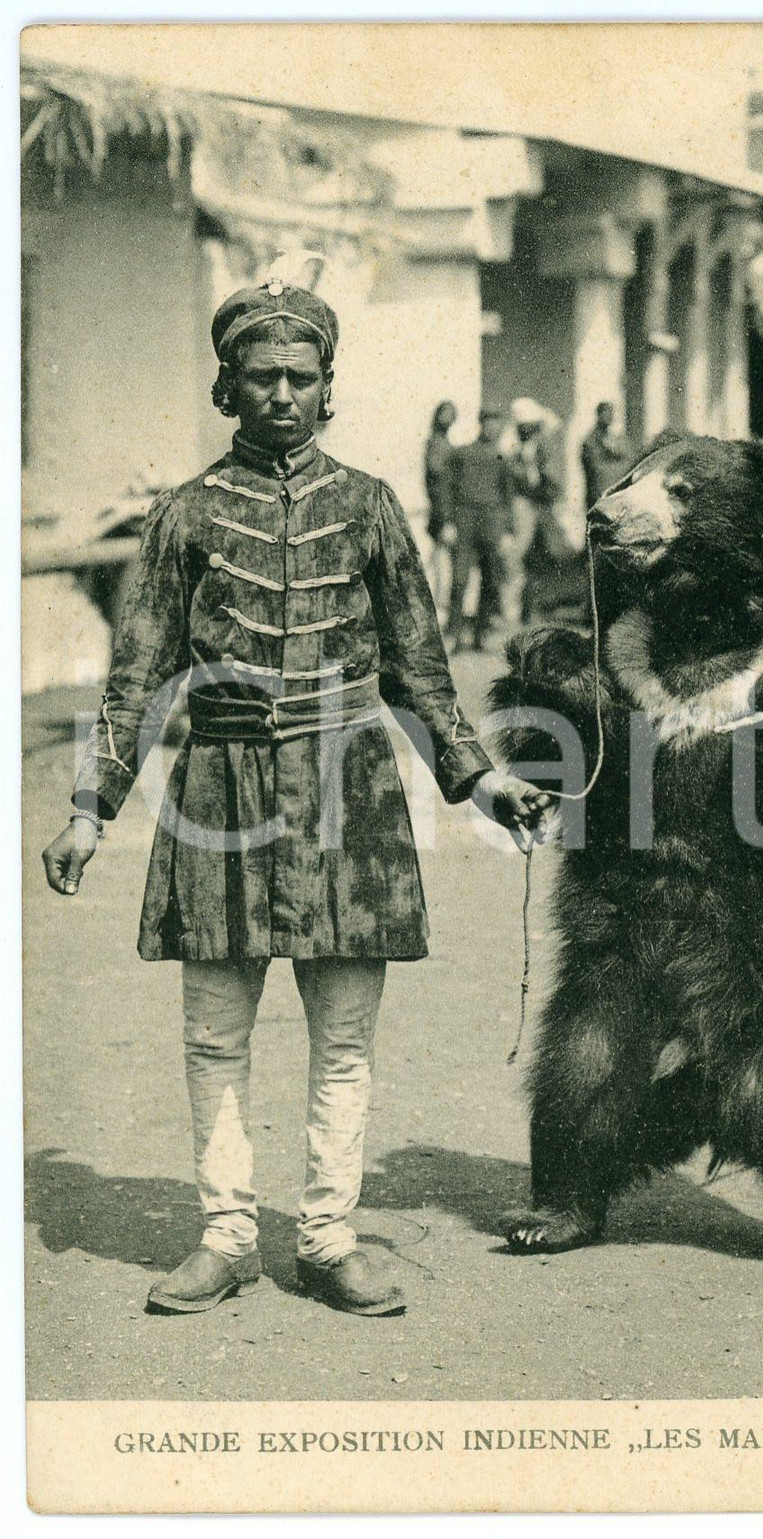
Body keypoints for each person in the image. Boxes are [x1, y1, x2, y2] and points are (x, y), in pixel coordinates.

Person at [41, 259, 550, 1319]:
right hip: (217, 793)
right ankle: (226, 1235)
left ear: (328, 384)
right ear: (228, 387)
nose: (282, 392)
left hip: (346, 792)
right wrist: (91, 807)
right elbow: (137, 674)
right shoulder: (183, 516)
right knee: (214, 1033)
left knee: (345, 1037)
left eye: (301, 374)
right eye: (261, 374)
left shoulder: (368, 508)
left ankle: (326, 1237)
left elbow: (420, 671)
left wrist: (484, 779)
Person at [444, 405, 516, 652]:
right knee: (459, 579)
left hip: (492, 522)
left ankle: (480, 634)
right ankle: (454, 635)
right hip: (465, 519)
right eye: (488, 422)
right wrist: (448, 522)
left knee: (491, 581)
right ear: (480, 423)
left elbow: (508, 497)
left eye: (497, 422)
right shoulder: (462, 454)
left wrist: (508, 531)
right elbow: (448, 490)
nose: (492, 427)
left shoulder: (503, 458)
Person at [507, 397, 573, 624]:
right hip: (524, 504)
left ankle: (535, 608)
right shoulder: (514, 448)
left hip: (541, 505)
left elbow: (549, 475)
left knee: (543, 555)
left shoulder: (543, 446)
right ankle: (516, 609)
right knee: (520, 554)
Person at [423, 400, 457, 608]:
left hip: (445, 508)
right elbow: (436, 473)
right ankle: (439, 606)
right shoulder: (436, 444)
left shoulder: (443, 443)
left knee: (440, 561)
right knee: (441, 563)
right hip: (440, 509)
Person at [580, 400, 631, 512]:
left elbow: (627, 462)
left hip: (616, 494)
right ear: (599, 414)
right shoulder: (590, 440)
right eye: (607, 413)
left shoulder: (616, 439)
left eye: (611, 413)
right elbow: (596, 470)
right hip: (598, 495)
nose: (610, 416)